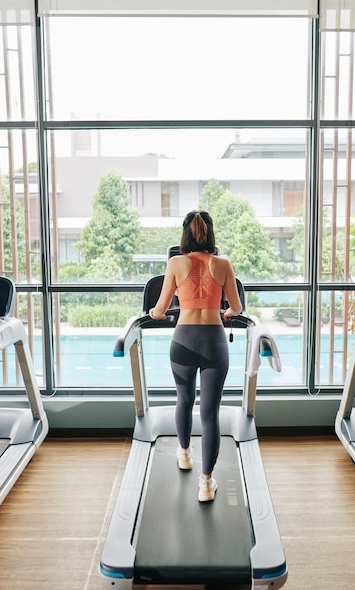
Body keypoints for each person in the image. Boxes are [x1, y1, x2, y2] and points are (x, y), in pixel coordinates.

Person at [149, 210, 243, 502]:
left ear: (185, 236)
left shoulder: (176, 263)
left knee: (184, 400)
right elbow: (236, 308)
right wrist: (225, 312)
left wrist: (156, 312)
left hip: (184, 341)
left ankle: (185, 454)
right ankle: (206, 484)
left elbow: (161, 308)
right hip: (215, 341)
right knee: (210, 412)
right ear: (211, 235)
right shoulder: (224, 264)